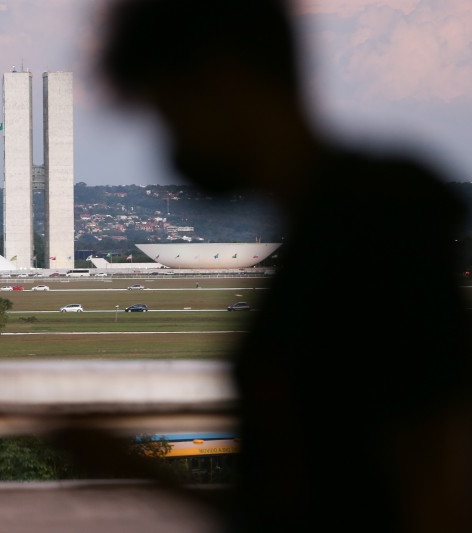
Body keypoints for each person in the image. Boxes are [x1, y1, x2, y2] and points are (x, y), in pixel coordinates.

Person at [97, 1, 472, 532]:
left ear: (222, 81)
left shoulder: (376, 225)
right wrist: (142, 475)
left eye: (169, 110)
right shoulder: (334, 224)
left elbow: (430, 474)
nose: (171, 148)